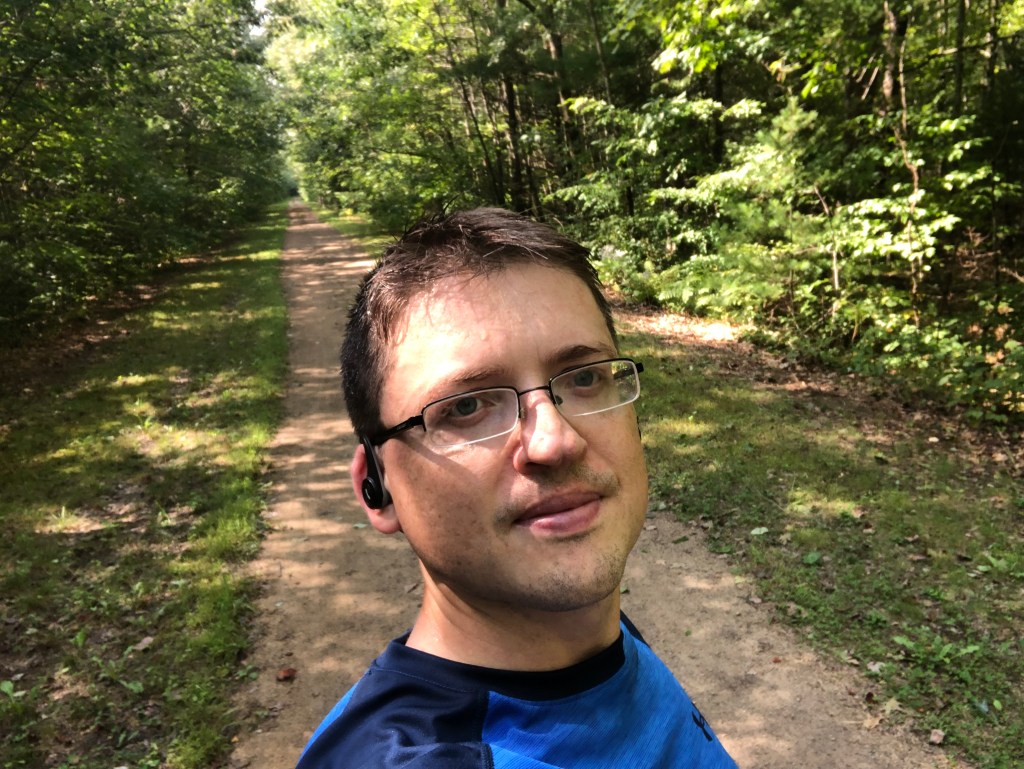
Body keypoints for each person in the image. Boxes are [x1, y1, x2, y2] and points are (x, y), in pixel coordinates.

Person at [296, 208, 737, 769]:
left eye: (585, 377)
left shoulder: (592, 644)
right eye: (465, 407)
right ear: (376, 488)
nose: (555, 441)